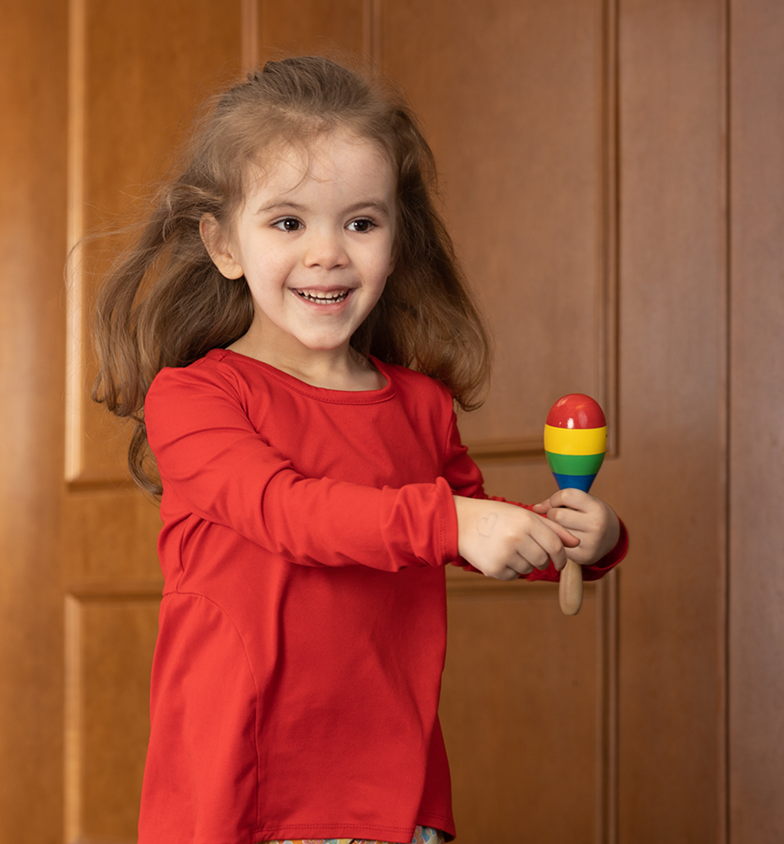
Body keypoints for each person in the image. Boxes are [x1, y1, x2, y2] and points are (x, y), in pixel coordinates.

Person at [92, 56, 627, 844]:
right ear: (223, 243)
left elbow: (473, 525)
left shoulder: (419, 405)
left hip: (394, 795)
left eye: (361, 222)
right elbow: (288, 513)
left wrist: (583, 538)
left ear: (395, 240)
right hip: (240, 794)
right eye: (287, 222)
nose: (327, 253)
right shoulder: (198, 398)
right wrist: (454, 523)